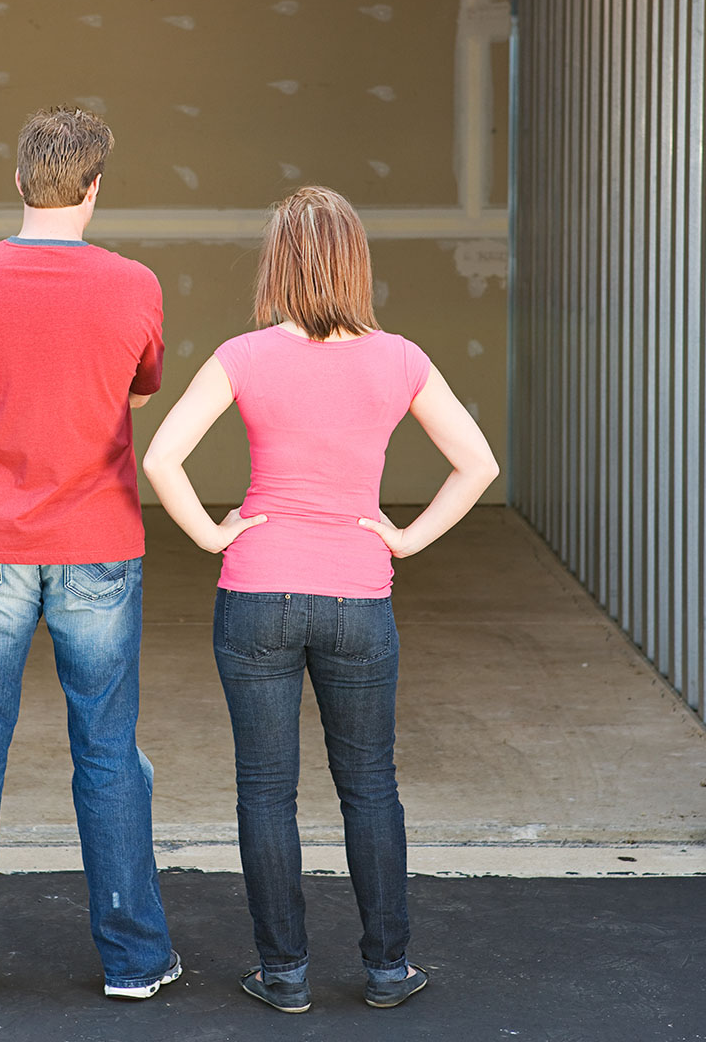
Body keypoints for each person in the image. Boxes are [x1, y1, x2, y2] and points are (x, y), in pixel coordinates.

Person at [142, 186, 499, 1014]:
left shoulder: (244, 355)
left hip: (258, 589)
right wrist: (405, 538)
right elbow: (477, 464)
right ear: (355, 263)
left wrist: (211, 532)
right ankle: (386, 969)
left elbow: (163, 458)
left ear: (280, 263)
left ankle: (285, 975)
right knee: (370, 784)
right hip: (358, 599)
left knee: (265, 791)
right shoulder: (400, 358)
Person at [0, 106, 180, 1001]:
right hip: (98, 545)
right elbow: (134, 392)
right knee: (106, 749)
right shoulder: (136, 284)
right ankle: (134, 960)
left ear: (20, 183)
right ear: (95, 189)